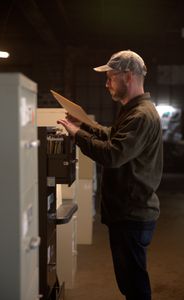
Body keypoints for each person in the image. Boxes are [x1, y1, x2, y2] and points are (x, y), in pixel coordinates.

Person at [57, 50, 163, 300]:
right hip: (127, 213)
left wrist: (77, 134)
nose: (106, 84)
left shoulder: (140, 115)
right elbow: (113, 134)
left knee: (135, 286)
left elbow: (112, 155)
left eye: (110, 77)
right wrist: (85, 125)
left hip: (132, 213)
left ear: (128, 76)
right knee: (129, 283)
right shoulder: (134, 110)